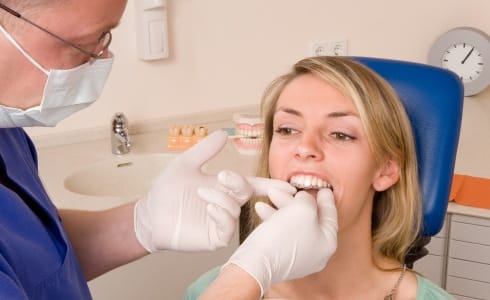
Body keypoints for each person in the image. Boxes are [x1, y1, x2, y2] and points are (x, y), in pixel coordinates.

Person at [0, 1, 337, 298]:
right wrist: (249, 274)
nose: (100, 60)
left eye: (341, 134)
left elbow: (36, 254)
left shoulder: (8, 135)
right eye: (84, 46)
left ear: (389, 167)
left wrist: (139, 224)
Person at [185, 56, 456, 299]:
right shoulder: (212, 290)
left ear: (386, 169)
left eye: (340, 134)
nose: (304, 148)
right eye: (288, 129)